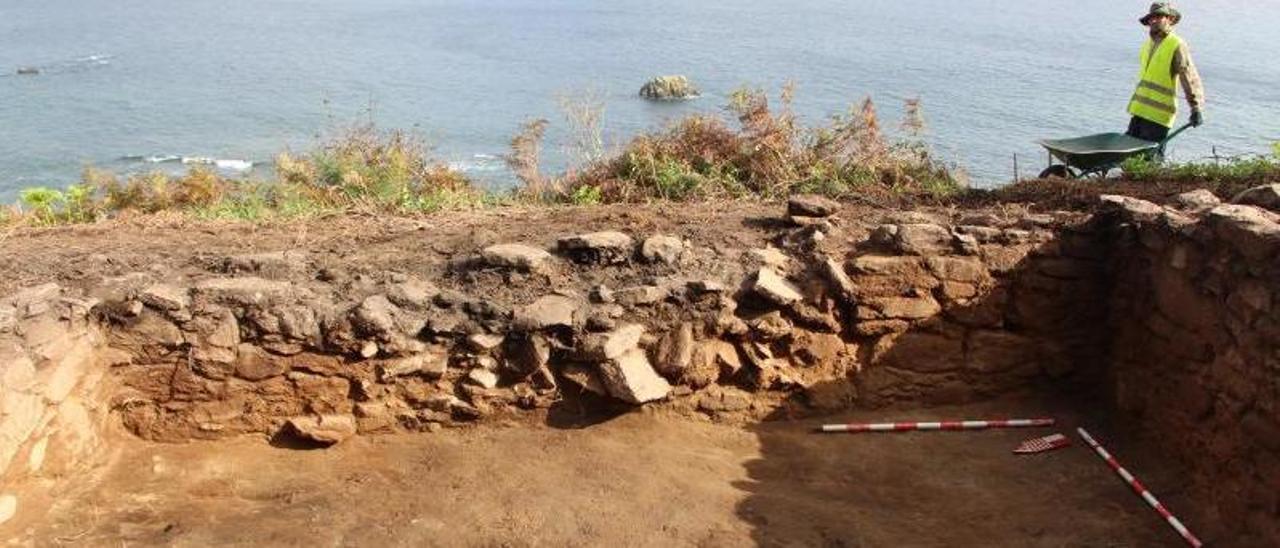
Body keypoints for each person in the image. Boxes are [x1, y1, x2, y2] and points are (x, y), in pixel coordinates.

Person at [1125, 3, 1205, 142]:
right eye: (1151, 17)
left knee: (1151, 159)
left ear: (1170, 19)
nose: (1154, 20)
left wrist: (1195, 108)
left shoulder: (1176, 44)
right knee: (1131, 157)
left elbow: (1189, 77)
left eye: (1159, 16)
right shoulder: (1147, 45)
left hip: (1159, 116)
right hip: (1139, 112)